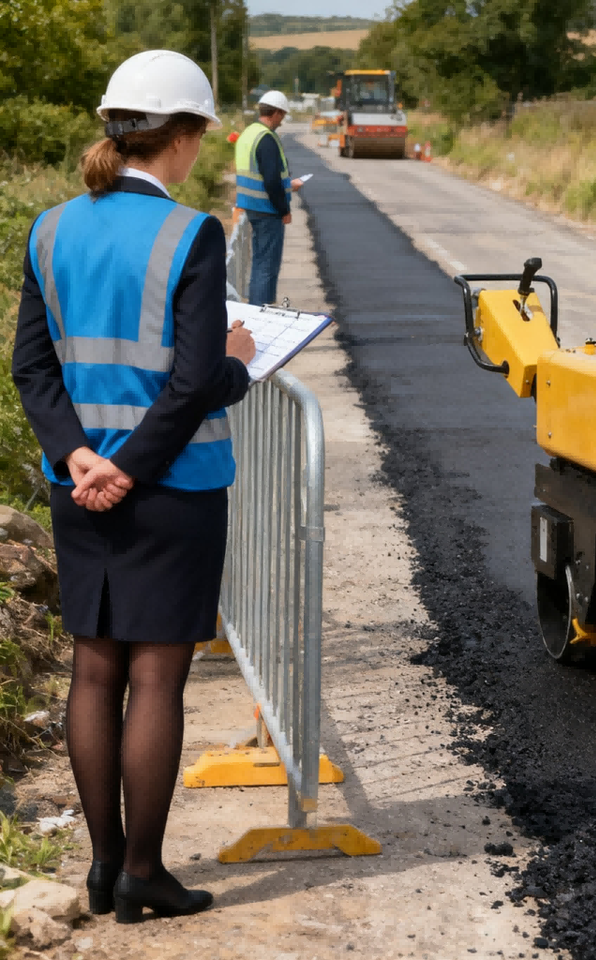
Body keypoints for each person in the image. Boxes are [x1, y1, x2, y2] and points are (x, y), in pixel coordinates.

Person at [12, 50, 255, 924]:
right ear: (183, 138)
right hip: (173, 489)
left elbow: (31, 368)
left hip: (78, 488)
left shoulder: (48, 228)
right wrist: (238, 364)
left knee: (93, 667)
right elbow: (194, 382)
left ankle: (103, 867)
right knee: (156, 676)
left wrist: (80, 456)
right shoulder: (192, 234)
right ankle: (144, 874)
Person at [234, 90, 304, 306]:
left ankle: (256, 310)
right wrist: (284, 210)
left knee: (259, 263)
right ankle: (261, 312)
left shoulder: (248, 133)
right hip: (268, 210)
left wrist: (287, 185)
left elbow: (258, 174)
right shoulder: (266, 138)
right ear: (275, 113)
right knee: (267, 266)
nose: (282, 121)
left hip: (251, 206)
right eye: (282, 115)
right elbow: (271, 181)